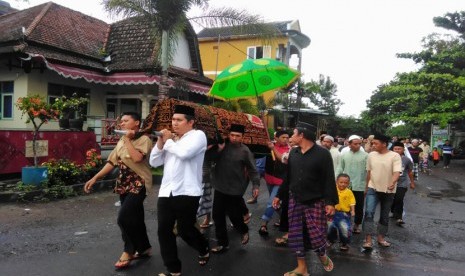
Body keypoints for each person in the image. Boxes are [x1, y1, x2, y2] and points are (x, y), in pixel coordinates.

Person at [84, 112, 153, 270]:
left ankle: (128, 251)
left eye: (125, 121)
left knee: (123, 217)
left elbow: (137, 158)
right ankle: (144, 248)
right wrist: (95, 178)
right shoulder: (122, 139)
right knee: (135, 218)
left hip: (138, 183)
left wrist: (128, 139)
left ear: (136, 123)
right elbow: (112, 162)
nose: (121, 123)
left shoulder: (144, 139)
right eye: (121, 121)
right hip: (124, 183)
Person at [149, 105, 210, 276]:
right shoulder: (172, 140)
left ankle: (203, 247)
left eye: (179, 120)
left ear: (191, 122)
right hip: (166, 191)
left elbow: (184, 154)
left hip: (187, 191)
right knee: (164, 230)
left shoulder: (198, 136)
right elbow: (154, 162)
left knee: (184, 230)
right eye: (173, 119)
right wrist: (161, 142)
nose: (174, 123)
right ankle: (173, 269)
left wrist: (168, 140)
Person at [273, 122, 338, 276]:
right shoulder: (293, 154)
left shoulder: (323, 154)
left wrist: (330, 202)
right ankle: (302, 268)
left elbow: (328, 179)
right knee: (296, 236)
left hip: (315, 202)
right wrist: (278, 195)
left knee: (317, 235)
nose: (290, 138)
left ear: (302, 135)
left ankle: (321, 253)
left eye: (293, 134)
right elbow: (288, 178)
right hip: (295, 201)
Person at [210, 123, 260, 253]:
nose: (234, 138)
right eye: (232, 135)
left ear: (242, 137)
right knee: (217, 215)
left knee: (234, 215)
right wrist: (219, 150)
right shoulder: (221, 146)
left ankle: (243, 230)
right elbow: (210, 159)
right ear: (228, 135)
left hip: (235, 188)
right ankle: (223, 243)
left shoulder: (245, 151)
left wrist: (256, 185)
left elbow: (253, 170)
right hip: (220, 186)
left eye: (238, 136)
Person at [363, 134, 401, 249]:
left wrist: (393, 182)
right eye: (372, 143)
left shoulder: (394, 156)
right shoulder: (371, 155)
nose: (373, 145)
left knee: (384, 215)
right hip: (372, 188)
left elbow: (397, 172)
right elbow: (369, 172)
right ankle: (368, 240)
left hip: (388, 191)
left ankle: (381, 238)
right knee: (369, 213)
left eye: (376, 143)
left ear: (384, 144)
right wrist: (366, 187)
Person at [258, 130, 290, 236]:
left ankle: (264, 224)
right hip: (269, 178)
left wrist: (273, 148)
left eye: (287, 137)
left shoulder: (290, 149)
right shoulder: (269, 145)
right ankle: (285, 219)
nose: (286, 139)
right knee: (276, 203)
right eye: (283, 137)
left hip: (281, 182)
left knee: (271, 202)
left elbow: (282, 159)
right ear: (276, 138)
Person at [336, 135, 368, 234]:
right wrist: (336, 180)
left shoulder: (366, 156)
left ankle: (357, 225)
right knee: (343, 204)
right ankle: (342, 223)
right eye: (355, 144)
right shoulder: (344, 155)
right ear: (349, 144)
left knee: (358, 206)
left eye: (359, 144)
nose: (358, 145)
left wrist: (366, 186)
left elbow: (368, 172)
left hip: (359, 185)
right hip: (345, 185)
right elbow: (340, 168)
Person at [327, 173, 355, 251]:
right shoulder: (333, 190)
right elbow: (328, 199)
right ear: (337, 182)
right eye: (341, 182)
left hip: (344, 214)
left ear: (348, 183)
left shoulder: (349, 192)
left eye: (345, 183)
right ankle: (331, 240)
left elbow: (352, 202)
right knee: (330, 227)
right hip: (333, 212)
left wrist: (353, 210)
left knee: (344, 229)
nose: (343, 184)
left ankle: (344, 243)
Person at [391, 142, 415, 226]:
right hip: (391, 183)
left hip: (402, 183)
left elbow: (410, 172)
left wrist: (412, 182)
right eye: (395, 149)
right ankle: (394, 211)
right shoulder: (389, 158)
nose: (397, 150)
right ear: (393, 149)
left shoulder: (406, 160)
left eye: (399, 149)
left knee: (399, 199)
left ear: (403, 150)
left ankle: (399, 217)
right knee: (392, 200)